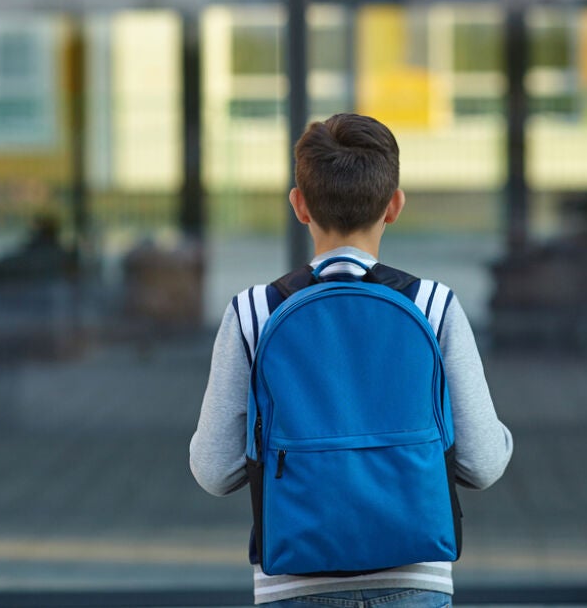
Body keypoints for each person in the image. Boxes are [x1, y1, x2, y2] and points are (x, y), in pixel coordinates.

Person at [190, 113, 513, 607]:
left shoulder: (254, 312)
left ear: (299, 205)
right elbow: (482, 464)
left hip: (294, 584)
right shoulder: (433, 306)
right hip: (415, 581)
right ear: (395, 205)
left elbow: (215, 471)